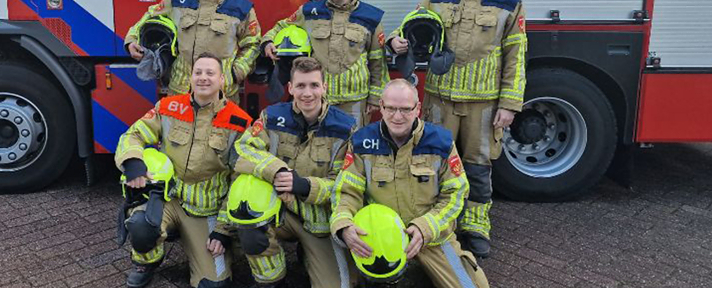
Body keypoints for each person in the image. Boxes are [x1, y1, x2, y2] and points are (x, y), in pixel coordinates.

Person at [388, 0, 527, 258]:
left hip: (484, 103)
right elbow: (409, 24)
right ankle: (437, 223)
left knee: (478, 166)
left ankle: (476, 228)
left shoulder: (510, 2)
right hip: (440, 100)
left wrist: (509, 104)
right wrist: (396, 41)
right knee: (433, 162)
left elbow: (516, 56)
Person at [331, 79, 489, 288]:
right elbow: (347, 192)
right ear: (381, 106)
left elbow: (456, 193)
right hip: (378, 238)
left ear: (417, 109)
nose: (397, 116)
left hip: (429, 236)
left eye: (405, 109)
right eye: (391, 108)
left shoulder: (440, 142)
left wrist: (426, 228)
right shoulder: (362, 142)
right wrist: (344, 226)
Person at [115, 53, 253, 288]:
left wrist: (222, 230)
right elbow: (133, 135)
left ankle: (209, 251)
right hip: (167, 198)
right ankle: (146, 261)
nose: (203, 78)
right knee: (140, 225)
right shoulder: (169, 107)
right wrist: (132, 163)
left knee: (214, 285)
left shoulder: (239, 122)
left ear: (222, 81)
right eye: (198, 72)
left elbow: (240, 181)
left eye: (210, 73)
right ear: (190, 78)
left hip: (206, 210)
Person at [232, 57, 355, 288]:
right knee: (249, 220)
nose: (307, 93)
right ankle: (272, 279)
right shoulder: (272, 117)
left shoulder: (345, 128)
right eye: (300, 86)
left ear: (324, 88)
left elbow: (344, 185)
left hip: (319, 223)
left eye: (314, 85)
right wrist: (276, 170)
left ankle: (309, 253)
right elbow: (245, 150)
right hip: (279, 210)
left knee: (339, 285)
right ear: (290, 88)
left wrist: (305, 186)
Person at [261, 0, 388, 126]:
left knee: (350, 147)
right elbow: (281, 26)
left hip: (354, 100)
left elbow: (377, 60)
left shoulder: (370, 16)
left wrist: (374, 97)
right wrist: (268, 42)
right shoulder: (310, 11)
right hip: (317, 98)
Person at [125, 0, 261, 103]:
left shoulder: (241, 8)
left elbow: (253, 43)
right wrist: (132, 39)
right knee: (176, 128)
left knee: (221, 128)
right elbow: (149, 16)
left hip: (223, 94)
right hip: (180, 90)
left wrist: (236, 73)